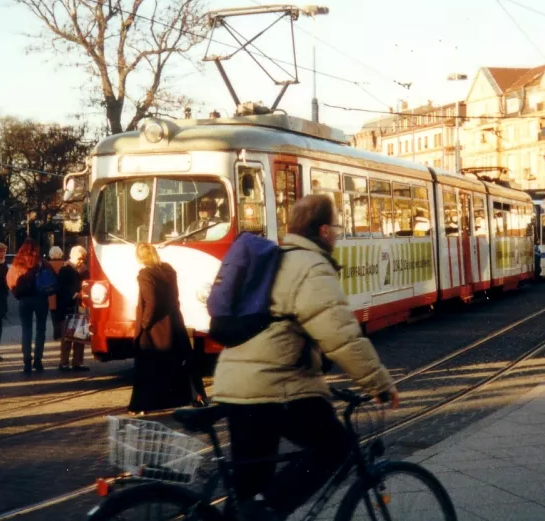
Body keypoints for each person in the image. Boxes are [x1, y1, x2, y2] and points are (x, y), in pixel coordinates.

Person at [212, 194, 399, 521]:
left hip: (235, 387)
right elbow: (340, 335)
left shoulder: (278, 258)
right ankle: (267, 510)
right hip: (274, 388)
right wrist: (378, 383)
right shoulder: (311, 266)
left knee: (246, 497)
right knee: (335, 449)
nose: (338, 235)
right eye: (337, 228)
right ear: (325, 230)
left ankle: (257, 511)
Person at [128, 243, 204, 415]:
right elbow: (175, 297)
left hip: (155, 327)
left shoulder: (145, 274)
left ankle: (143, 404)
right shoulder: (169, 270)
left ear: (140, 258)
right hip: (174, 322)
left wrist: (145, 323)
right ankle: (191, 396)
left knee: (148, 366)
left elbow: (151, 302)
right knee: (177, 361)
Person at [8, 240, 52, 375]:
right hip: (40, 299)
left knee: (26, 331)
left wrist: (17, 294)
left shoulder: (17, 264)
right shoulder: (42, 263)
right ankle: (38, 360)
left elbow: (10, 280)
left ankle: (27, 361)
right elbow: (52, 279)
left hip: (24, 300)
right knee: (41, 329)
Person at [57, 245, 89, 372]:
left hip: (79, 306)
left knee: (80, 335)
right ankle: (64, 362)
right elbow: (63, 290)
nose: (82, 261)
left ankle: (77, 362)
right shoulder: (65, 270)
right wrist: (75, 294)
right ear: (74, 256)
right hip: (68, 307)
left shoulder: (80, 270)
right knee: (67, 336)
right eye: (80, 258)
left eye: (84, 259)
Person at [47, 246, 66, 341]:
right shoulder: (64, 264)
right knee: (62, 315)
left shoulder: (47, 265)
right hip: (63, 293)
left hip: (52, 293)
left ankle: (56, 333)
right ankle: (63, 333)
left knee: (54, 314)